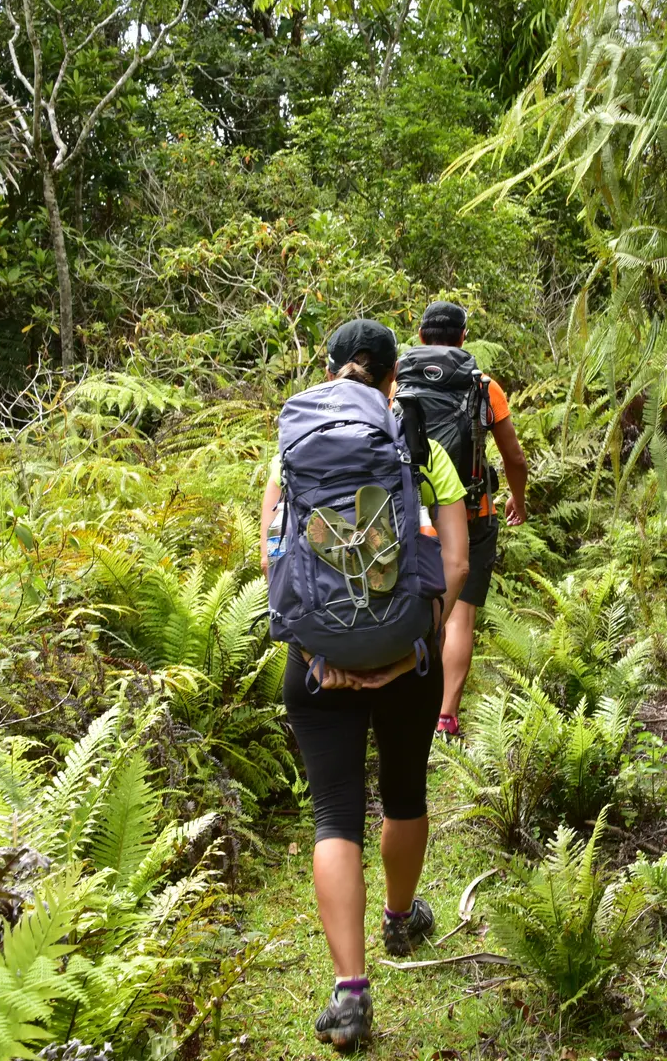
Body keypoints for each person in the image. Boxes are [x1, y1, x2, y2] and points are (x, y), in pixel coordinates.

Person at [259, 318, 470, 1052]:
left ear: (328, 370)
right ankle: (400, 919)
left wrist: (322, 650)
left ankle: (350, 994)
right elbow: (453, 568)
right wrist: (407, 644)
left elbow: (275, 562)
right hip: (405, 657)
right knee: (405, 792)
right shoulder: (423, 448)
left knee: (333, 815)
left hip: (317, 663)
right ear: (392, 379)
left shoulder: (290, 453)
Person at [395, 301, 528, 739]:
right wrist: (518, 501)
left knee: (410, 606)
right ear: (463, 338)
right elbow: (514, 457)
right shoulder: (483, 387)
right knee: (460, 618)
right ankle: (446, 717)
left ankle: (403, 700)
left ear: (419, 336)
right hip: (472, 513)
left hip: (413, 513)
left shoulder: (396, 386)